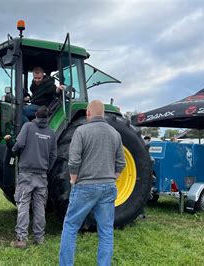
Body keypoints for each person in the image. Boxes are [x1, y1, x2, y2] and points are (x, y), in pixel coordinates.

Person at [59, 100, 126, 266]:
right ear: (102, 113)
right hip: (108, 187)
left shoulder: (81, 131)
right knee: (106, 231)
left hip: (85, 186)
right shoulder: (115, 133)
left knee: (71, 226)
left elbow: (73, 161)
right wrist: (113, 178)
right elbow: (121, 162)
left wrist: (73, 179)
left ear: (88, 113)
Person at [4, 106, 57, 248]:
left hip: (26, 174)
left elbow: (19, 144)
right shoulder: (51, 133)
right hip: (42, 175)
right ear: (47, 117)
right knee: (40, 207)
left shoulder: (28, 126)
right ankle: (39, 239)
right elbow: (53, 155)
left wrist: (12, 148)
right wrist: (46, 169)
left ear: (36, 115)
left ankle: (21, 239)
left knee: (23, 204)